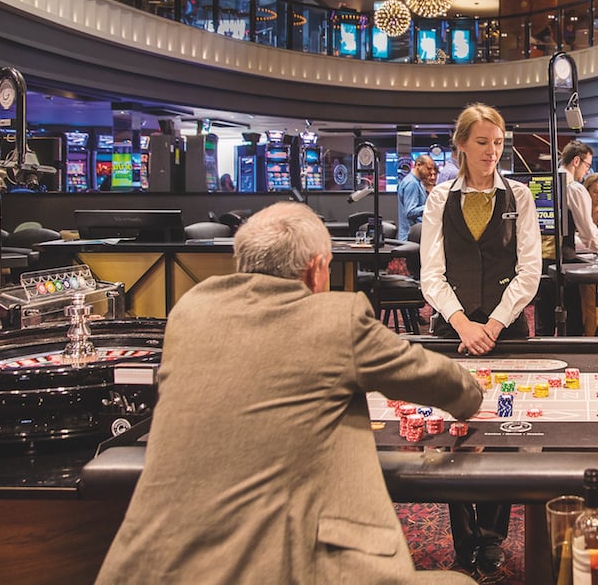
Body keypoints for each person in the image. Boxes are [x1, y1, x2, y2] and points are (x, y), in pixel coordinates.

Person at [95, 202, 482, 585]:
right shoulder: (335, 319)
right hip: (288, 567)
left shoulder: (190, 312)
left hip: (152, 567)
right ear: (316, 269)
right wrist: (473, 394)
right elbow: (442, 383)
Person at [419, 103, 541, 576]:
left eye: (498, 142)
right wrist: (462, 324)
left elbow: (529, 270)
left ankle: (490, 538)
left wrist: (492, 323)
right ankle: (463, 538)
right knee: (455, 430)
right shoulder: (439, 199)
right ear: (462, 146)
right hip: (454, 331)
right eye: (483, 143)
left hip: (505, 331)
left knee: (503, 430)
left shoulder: (521, 196)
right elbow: (431, 274)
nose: (492, 152)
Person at [535, 141, 598, 337]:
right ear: (576, 161)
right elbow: (587, 230)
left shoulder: (545, 181)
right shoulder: (574, 188)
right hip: (562, 263)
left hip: (538, 260)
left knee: (544, 321)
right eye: (587, 165)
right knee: (573, 319)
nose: (586, 171)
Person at [397, 154, 436, 240]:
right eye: (428, 168)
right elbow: (410, 211)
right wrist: (431, 207)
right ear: (418, 165)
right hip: (410, 238)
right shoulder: (412, 183)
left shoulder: (416, 182)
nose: (431, 172)